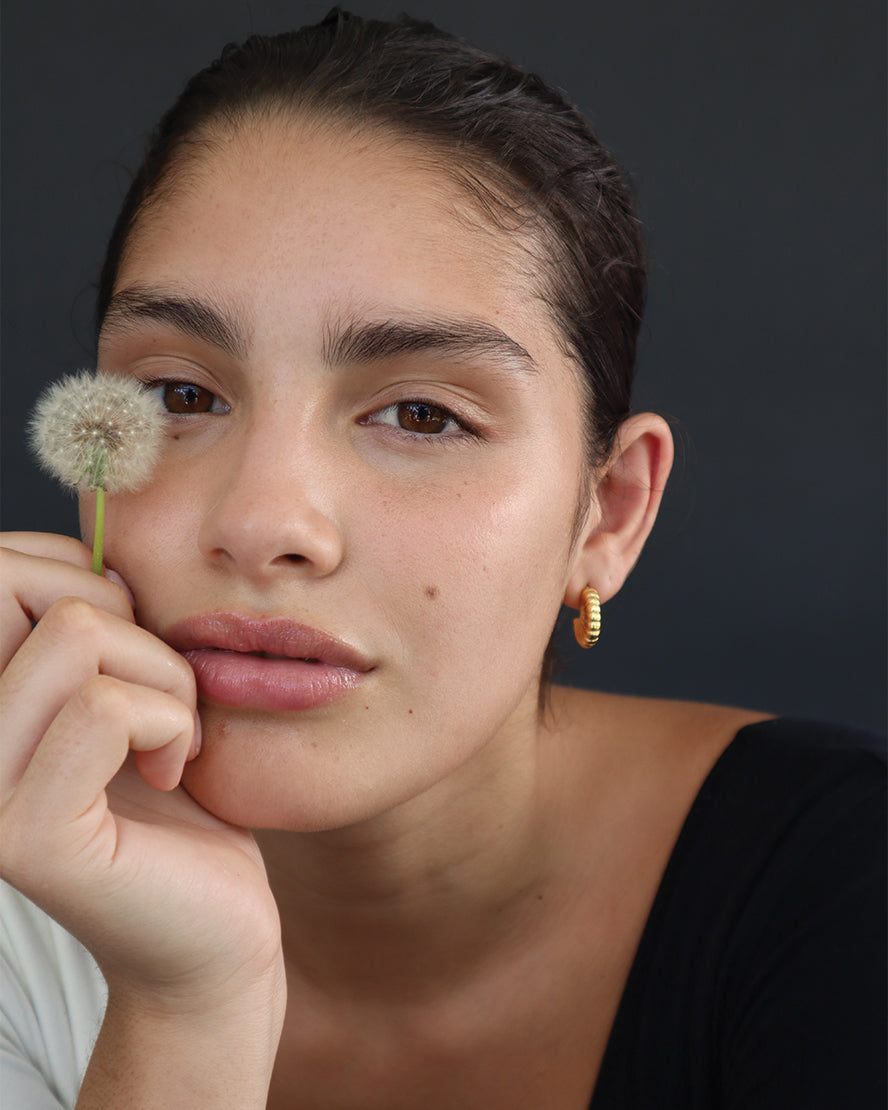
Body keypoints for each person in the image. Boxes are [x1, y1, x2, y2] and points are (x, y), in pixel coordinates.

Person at [0, 9, 884, 1108]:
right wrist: (189, 1005)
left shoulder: (847, 899)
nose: (266, 522)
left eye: (421, 414)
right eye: (181, 396)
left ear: (606, 515)